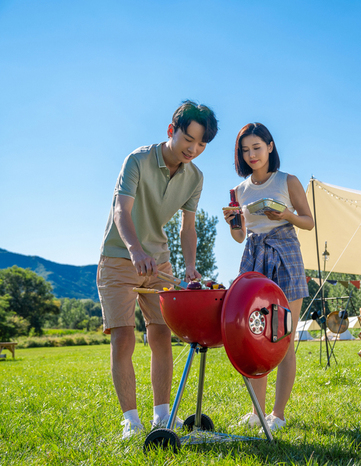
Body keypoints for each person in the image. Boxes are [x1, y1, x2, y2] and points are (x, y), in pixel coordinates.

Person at [97, 101, 219, 439]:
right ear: (171, 131)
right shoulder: (137, 160)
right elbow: (122, 211)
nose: (193, 149)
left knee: (162, 333)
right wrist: (135, 249)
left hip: (159, 261)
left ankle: (162, 416)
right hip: (120, 256)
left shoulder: (195, 177)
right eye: (188, 140)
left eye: (201, 145)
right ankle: (130, 420)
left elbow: (188, 227)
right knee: (123, 338)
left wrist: (190, 265)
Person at [224, 122, 314, 433]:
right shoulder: (239, 191)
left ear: (270, 147)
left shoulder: (288, 181)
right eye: (245, 150)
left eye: (257, 148)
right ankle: (256, 413)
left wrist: (286, 215)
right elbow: (239, 237)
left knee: (283, 339)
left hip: (285, 252)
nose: (251, 154)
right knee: (254, 338)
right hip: (253, 255)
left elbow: (309, 221)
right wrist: (233, 223)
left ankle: (278, 415)